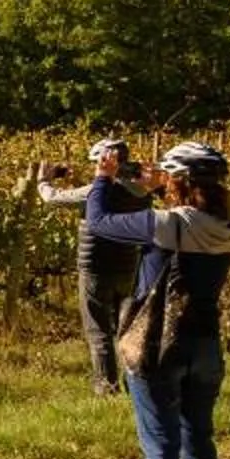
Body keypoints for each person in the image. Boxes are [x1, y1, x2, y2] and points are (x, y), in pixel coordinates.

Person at [87, 141, 230, 459]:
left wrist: (103, 176)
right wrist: (161, 186)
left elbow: (99, 221)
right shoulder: (226, 228)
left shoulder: (168, 224)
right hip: (206, 343)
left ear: (181, 181)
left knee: (160, 441)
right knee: (198, 437)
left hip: (158, 344)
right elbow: (185, 219)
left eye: (170, 176)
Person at [30, 136, 148, 395]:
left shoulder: (93, 192)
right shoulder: (139, 193)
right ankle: (136, 384)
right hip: (128, 266)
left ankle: (107, 387)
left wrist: (43, 180)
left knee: (98, 331)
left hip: (94, 266)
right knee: (126, 329)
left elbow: (53, 198)